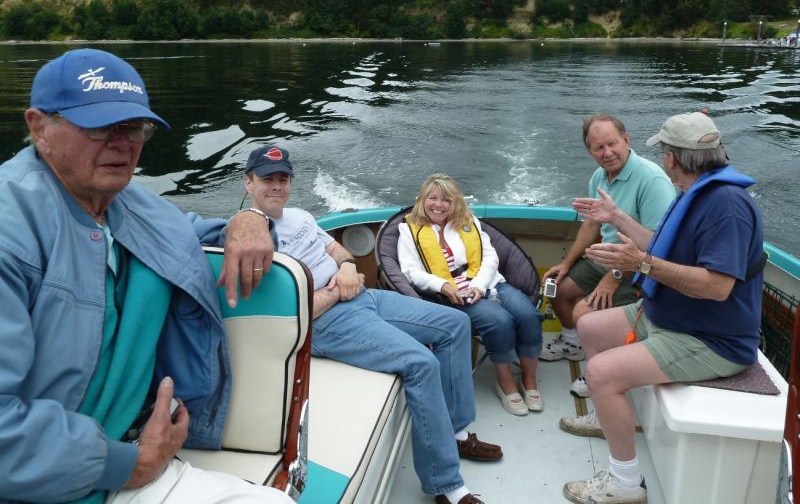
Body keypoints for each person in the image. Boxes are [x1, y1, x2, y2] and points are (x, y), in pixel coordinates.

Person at [0, 49, 292, 503]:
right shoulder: (11, 232)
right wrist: (128, 465)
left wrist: (250, 219)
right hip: (58, 480)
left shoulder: (129, 205)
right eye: (100, 126)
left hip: (130, 454)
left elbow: (193, 232)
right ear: (40, 127)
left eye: (134, 127)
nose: (123, 144)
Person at [243, 146, 502, 504]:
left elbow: (336, 251)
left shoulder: (299, 216)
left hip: (362, 296)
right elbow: (292, 312)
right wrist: (338, 290)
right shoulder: (251, 242)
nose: (276, 186)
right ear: (248, 182)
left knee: (455, 324)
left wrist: (349, 267)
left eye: (283, 178)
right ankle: (446, 485)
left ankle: (456, 433)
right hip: (326, 321)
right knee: (420, 363)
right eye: (267, 179)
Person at [559, 112, 764, 504]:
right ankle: (604, 417)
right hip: (669, 316)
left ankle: (625, 484)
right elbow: (658, 242)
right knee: (589, 327)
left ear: (673, 157)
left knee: (600, 373)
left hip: (711, 338)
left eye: (664, 151)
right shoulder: (693, 191)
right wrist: (616, 217)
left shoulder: (726, 206)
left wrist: (642, 265)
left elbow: (718, 286)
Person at [540, 114, 675, 398]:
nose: (607, 153)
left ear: (626, 139)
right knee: (556, 287)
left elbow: (657, 245)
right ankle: (572, 343)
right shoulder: (599, 177)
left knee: (585, 312)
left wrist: (613, 278)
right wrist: (566, 264)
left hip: (640, 268)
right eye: (598, 148)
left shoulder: (652, 180)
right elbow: (592, 225)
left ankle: (599, 373)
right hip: (604, 259)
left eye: (612, 144)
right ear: (589, 150)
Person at [397, 174, 544, 416]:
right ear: (422, 199)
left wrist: (479, 286)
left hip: (489, 284)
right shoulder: (407, 229)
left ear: (455, 202)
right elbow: (410, 272)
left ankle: (529, 380)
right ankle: (505, 382)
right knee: (500, 321)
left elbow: (491, 257)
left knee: (529, 315)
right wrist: (444, 286)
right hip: (452, 296)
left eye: (446, 199)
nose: (439, 204)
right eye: (432, 198)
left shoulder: (469, 221)